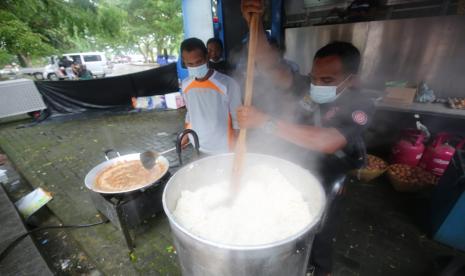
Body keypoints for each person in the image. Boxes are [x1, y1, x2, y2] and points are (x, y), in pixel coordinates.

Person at [239, 1, 375, 275]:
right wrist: (254, 23)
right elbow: (269, 64)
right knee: (285, 228)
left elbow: (327, 141)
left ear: (351, 80)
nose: (317, 85)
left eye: (327, 80)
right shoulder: (308, 87)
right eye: (314, 77)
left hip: (326, 183)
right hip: (295, 173)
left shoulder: (362, 106)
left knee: (320, 238)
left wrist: (265, 121)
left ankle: (319, 271)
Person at [180, 37, 242, 154]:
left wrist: (237, 146)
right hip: (197, 145)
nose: (195, 67)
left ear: (207, 57)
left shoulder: (227, 84)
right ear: (184, 62)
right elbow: (190, 113)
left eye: (199, 62)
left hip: (223, 149)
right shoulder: (185, 85)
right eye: (190, 64)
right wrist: (186, 134)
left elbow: (237, 119)